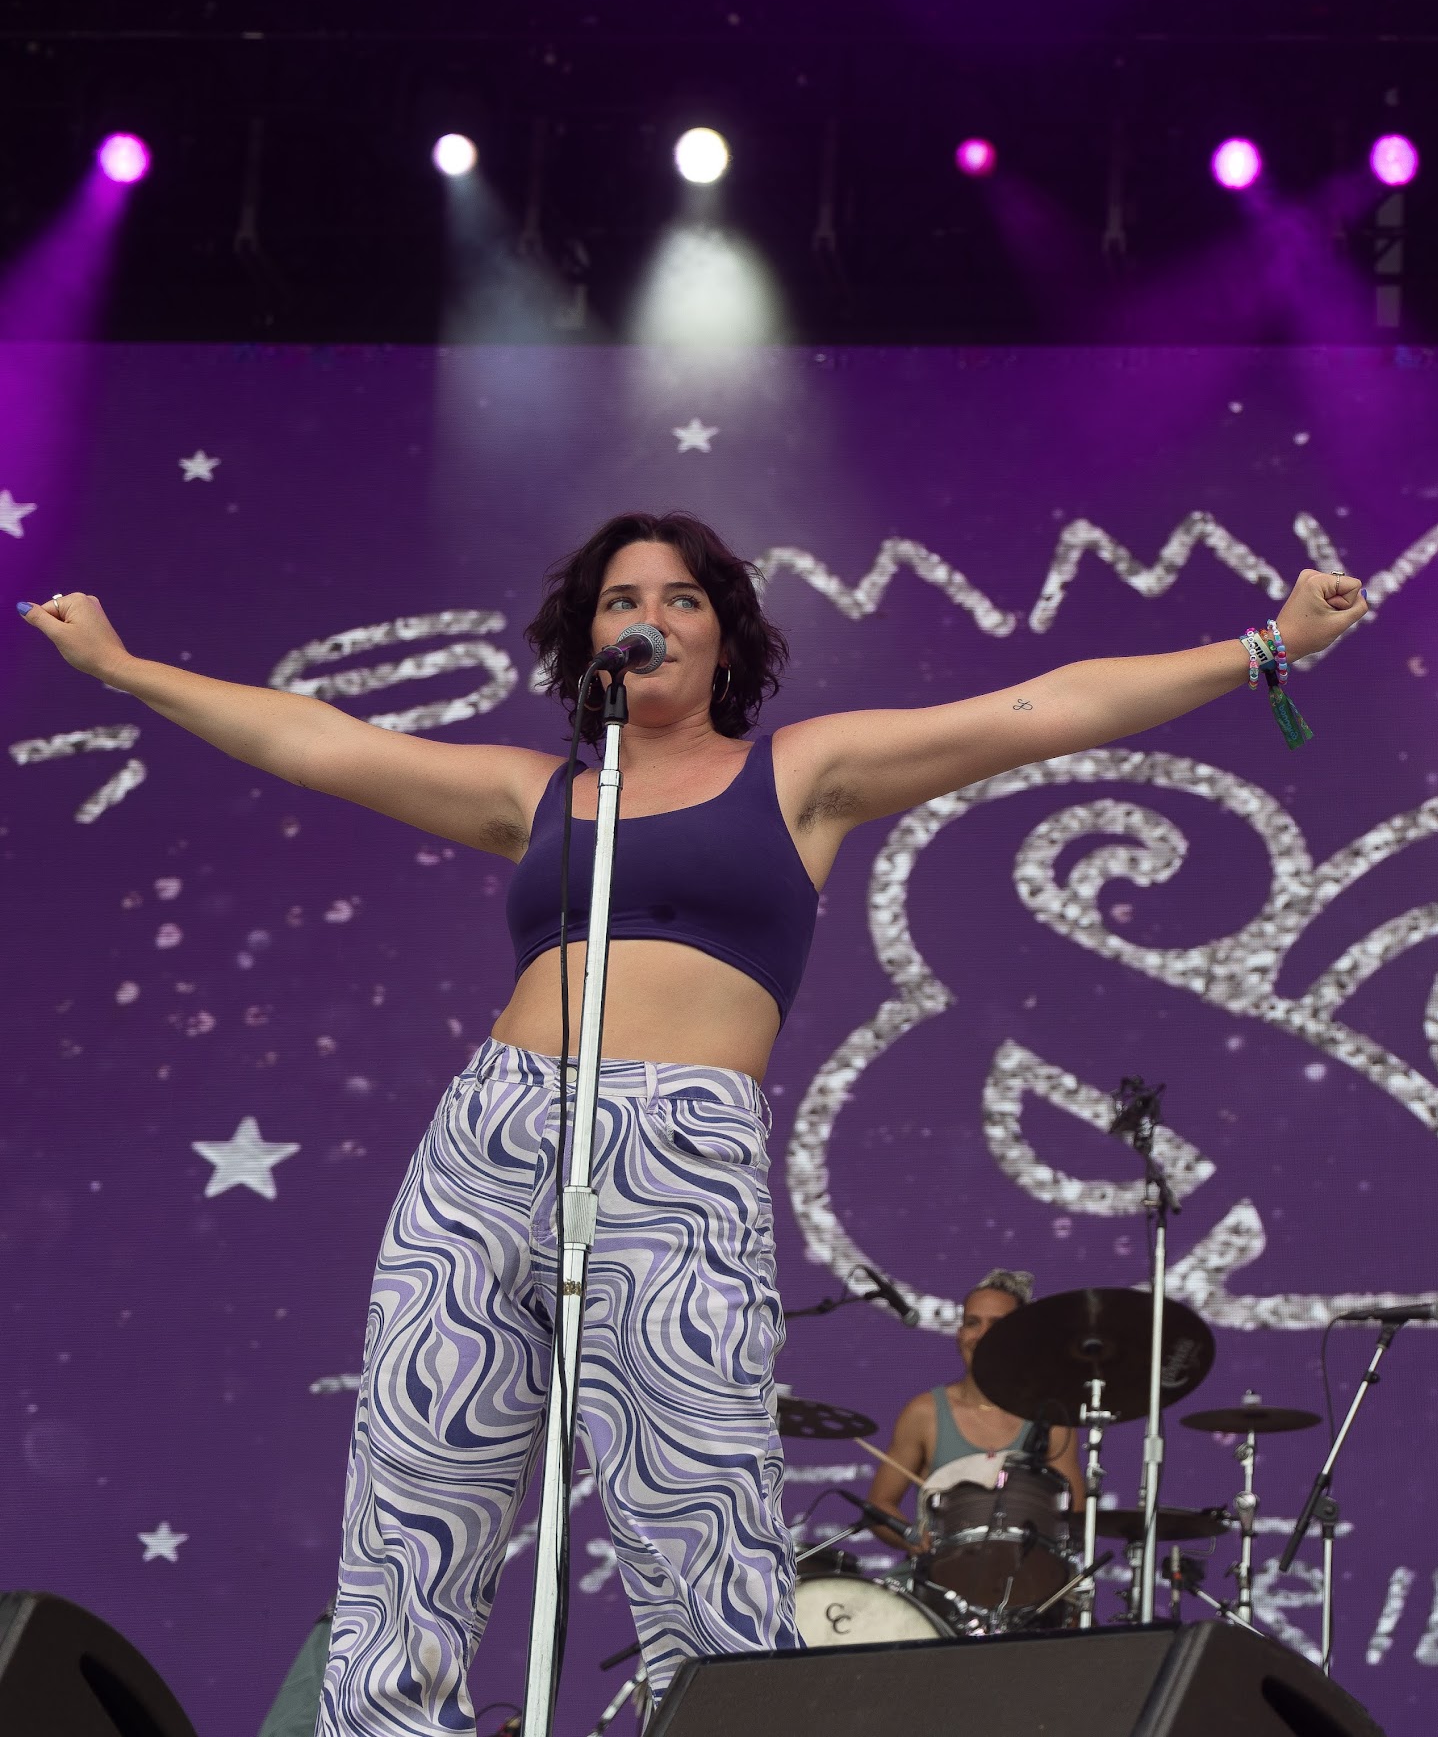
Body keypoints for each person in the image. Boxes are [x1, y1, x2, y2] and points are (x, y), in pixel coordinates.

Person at [15, 518, 1366, 1736]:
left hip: (675, 1149)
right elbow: (319, 742)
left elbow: (1035, 708)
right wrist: (127, 668)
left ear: (721, 633)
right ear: (586, 637)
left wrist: (1261, 646)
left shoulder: (799, 774)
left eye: (674, 596)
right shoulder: (534, 793)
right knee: (414, 1514)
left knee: (697, 1522)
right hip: (492, 1134)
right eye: (616, 599)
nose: (641, 616)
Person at [861, 1268, 1086, 1552]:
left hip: (1025, 1579)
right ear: (959, 1336)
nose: (982, 1335)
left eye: (997, 1324)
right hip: (934, 1584)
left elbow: (1075, 1516)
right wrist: (913, 1538)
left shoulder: (1050, 1417)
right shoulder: (924, 1412)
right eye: (972, 1323)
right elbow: (879, 1505)